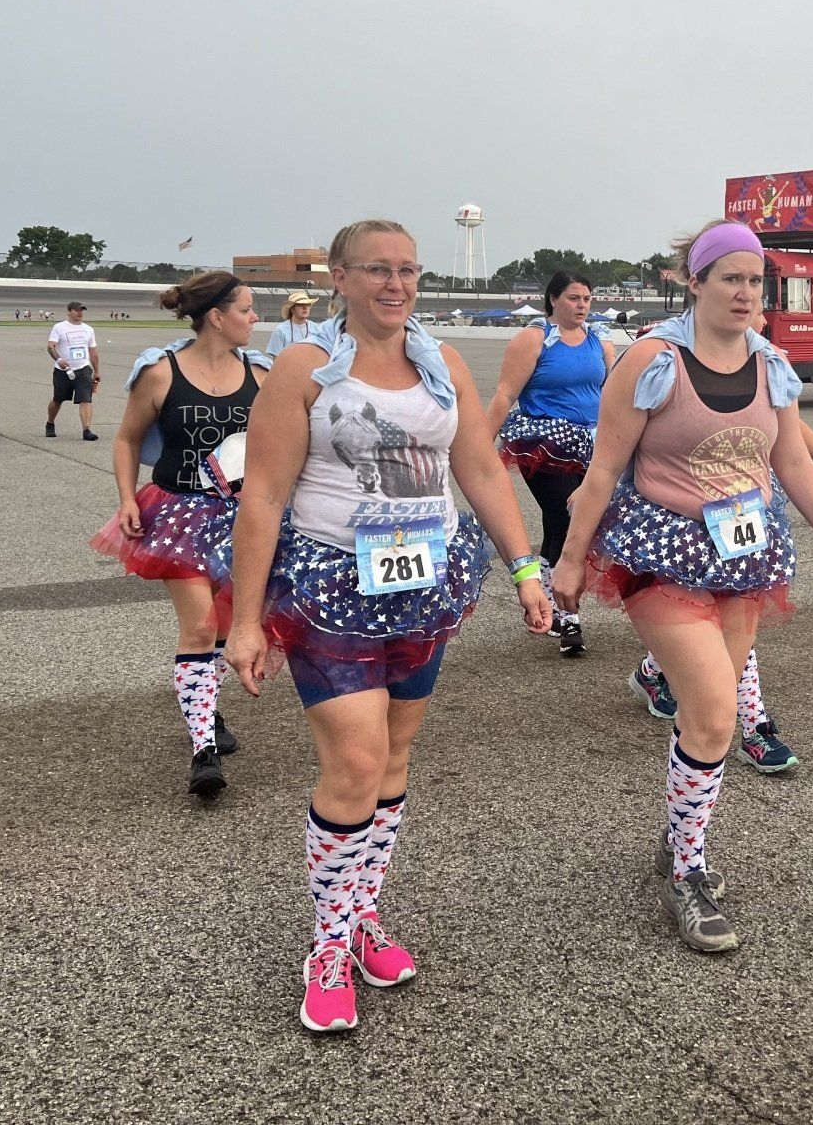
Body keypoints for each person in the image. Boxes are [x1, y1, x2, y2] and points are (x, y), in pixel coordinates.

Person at [222, 218, 551, 1034]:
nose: (395, 285)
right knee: (356, 761)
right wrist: (245, 618)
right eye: (376, 270)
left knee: (396, 757)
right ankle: (327, 946)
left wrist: (524, 567)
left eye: (406, 270)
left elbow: (476, 465)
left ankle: (363, 912)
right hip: (331, 585)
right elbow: (262, 494)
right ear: (338, 278)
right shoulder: (303, 369)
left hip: (423, 583)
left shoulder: (440, 365)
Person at [554, 219, 813, 953]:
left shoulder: (771, 365)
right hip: (661, 550)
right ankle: (688, 873)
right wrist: (569, 561)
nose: (745, 292)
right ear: (692, 282)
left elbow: (791, 462)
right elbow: (603, 469)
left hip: (745, 553)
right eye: (729, 277)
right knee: (712, 707)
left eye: (756, 280)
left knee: (711, 721)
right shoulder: (652, 360)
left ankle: (678, 843)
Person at [92, 272, 269, 797]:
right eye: (248, 309)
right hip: (177, 514)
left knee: (220, 624)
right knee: (197, 627)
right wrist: (127, 497)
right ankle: (203, 752)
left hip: (243, 520)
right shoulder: (161, 372)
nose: (256, 319)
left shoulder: (262, 374)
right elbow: (126, 439)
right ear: (217, 316)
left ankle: (206, 707)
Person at [629, 417, 813, 772]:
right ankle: (752, 728)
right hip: (685, 518)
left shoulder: (764, 364)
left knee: (731, 622)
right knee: (702, 617)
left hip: (745, 513)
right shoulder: (662, 364)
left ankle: (747, 725)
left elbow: (786, 419)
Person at [485, 272, 616, 657]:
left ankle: (542, 589)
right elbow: (505, 393)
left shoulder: (599, 343)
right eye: (574, 298)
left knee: (565, 525)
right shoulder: (536, 338)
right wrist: (476, 447)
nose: (582, 305)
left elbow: (610, 398)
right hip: (542, 443)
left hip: (589, 444)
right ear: (554, 300)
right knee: (567, 518)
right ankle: (568, 616)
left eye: (587, 298)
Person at [45, 301, 102, 441]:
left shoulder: (88, 329)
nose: (80, 313)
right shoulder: (59, 327)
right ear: (69, 311)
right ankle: (50, 423)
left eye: (82, 310)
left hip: (83, 369)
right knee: (58, 400)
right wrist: (59, 360)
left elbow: (93, 351)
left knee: (85, 399)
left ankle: (86, 430)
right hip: (63, 370)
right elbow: (50, 346)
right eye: (77, 310)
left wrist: (97, 371)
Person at [266, 291, 318, 355]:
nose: (305, 308)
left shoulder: (316, 328)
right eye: (300, 304)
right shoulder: (280, 330)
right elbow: (277, 360)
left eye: (307, 304)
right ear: (292, 309)